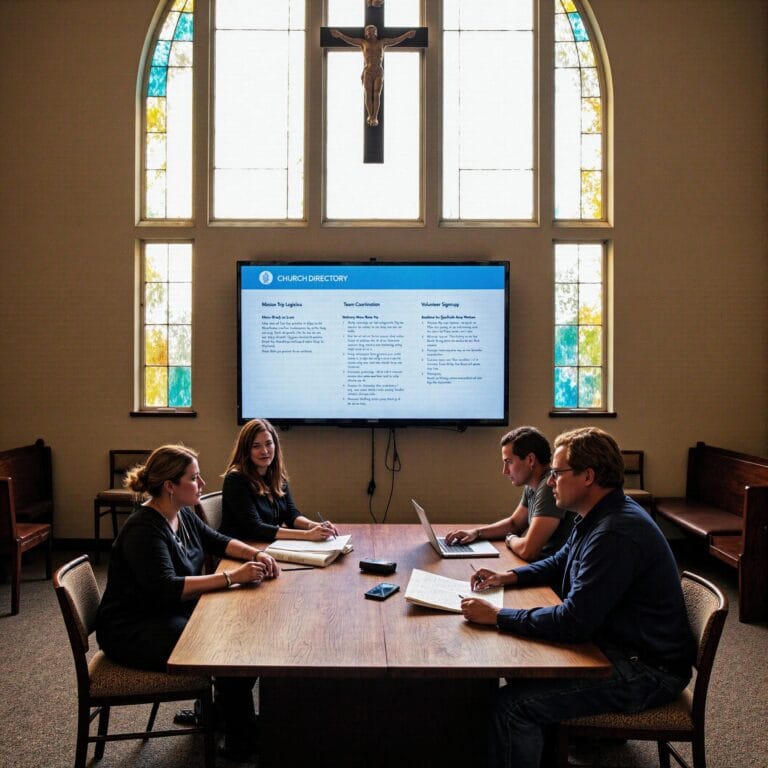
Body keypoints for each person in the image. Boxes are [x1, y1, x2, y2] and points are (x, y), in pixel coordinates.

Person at [461, 427, 695, 768]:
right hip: (621, 646)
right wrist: (508, 576)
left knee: (511, 706)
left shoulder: (614, 532)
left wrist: (497, 616)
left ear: (588, 476)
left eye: (557, 473)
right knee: (525, 669)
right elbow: (559, 561)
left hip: (645, 670)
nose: (551, 481)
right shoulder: (598, 514)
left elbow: (573, 622)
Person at [95, 444, 279, 762]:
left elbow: (217, 541)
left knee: (242, 635)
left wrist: (256, 553)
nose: (202, 484)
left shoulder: (181, 514)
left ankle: (226, 716)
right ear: (170, 486)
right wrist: (233, 577)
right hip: (132, 628)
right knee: (226, 649)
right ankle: (241, 739)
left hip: (166, 614)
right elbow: (168, 589)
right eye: (194, 478)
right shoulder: (144, 528)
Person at [445, 426, 574, 561]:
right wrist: (476, 533)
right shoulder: (533, 485)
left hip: (551, 575)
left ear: (530, 460)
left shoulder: (549, 486)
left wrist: (510, 539)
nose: (505, 471)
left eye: (509, 462)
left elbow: (527, 550)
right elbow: (514, 524)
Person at [220, 418, 338, 542]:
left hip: (266, 546)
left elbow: (291, 515)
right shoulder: (235, 479)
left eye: (268, 444)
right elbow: (255, 528)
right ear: (246, 450)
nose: (264, 451)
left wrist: (314, 526)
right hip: (241, 549)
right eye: (256, 446)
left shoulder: (275, 475)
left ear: (275, 445)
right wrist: (307, 535)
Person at [330, 25, 417, 127]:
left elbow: (395, 40)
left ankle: (374, 116)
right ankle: (369, 115)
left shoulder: (382, 43)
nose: (370, 33)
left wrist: (407, 35)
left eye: (373, 31)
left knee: (376, 93)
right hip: (368, 71)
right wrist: (340, 35)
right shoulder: (363, 43)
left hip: (378, 71)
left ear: (376, 32)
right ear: (366, 33)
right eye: (368, 31)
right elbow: (350, 40)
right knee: (367, 93)